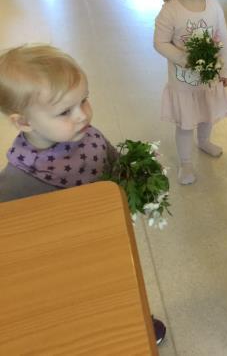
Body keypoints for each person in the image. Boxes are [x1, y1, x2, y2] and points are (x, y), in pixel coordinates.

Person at [0, 45, 168, 346]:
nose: (82, 115)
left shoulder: (85, 134)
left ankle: (137, 319)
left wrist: (137, 175)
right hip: (66, 265)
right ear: (24, 122)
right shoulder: (17, 183)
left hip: (109, 239)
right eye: (65, 111)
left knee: (123, 284)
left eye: (84, 100)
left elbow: (111, 159)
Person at [154, 0, 227, 185]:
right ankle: (185, 162)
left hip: (208, 79)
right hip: (184, 83)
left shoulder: (214, 6)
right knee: (186, 124)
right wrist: (183, 58)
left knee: (208, 115)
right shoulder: (171, 11)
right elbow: (160, 43)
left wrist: (226, 68)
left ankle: (204, 141)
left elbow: (224, 39)